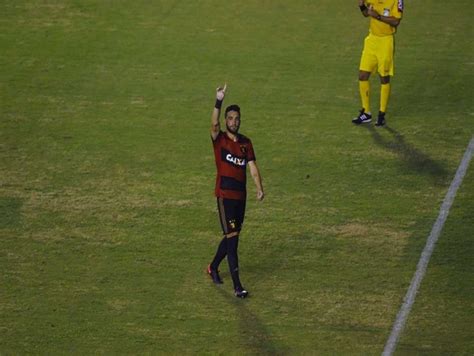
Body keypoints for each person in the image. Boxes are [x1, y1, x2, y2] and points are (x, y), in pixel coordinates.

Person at [206, 84, 264, 299]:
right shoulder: (219, 139)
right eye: (230, 118)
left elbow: (252, 166)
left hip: (241, 198)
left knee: (233, 235)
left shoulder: (246, 143)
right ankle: (237, 286)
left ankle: (212, 267)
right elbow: (213, 123)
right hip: (225, 196)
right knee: (233, 240)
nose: (234, 122)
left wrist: (259, 188)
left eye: (236, 119)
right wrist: (218, 100)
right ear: (226, 120)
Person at [352, 0, 404, 126]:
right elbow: (366, 13)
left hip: (386, 42)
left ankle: (381, 114)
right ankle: (366, 113)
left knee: (384, 78)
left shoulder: (396, 1)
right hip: (372, 40)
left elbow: (396, 21)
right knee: (362, 75)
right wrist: (362, 6)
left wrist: (378, 16)